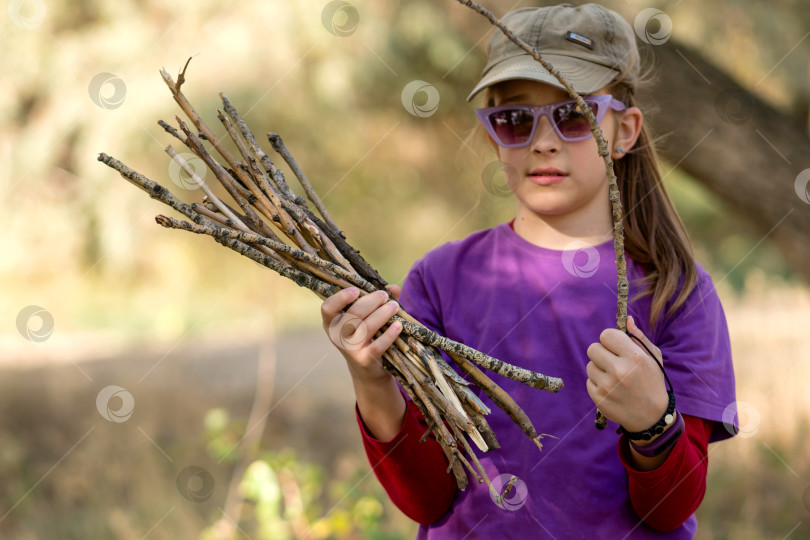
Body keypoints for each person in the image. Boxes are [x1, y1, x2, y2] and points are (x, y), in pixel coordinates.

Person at [320, 3, 737, 538]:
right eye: (515, 119)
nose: (543, 141)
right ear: (494, 134)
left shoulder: (677, 292)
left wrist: (653, 423)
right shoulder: (439, 281)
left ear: (625, 130)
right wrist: (370, 379)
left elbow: (670, 509)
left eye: (572, 114)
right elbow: (428, 502)